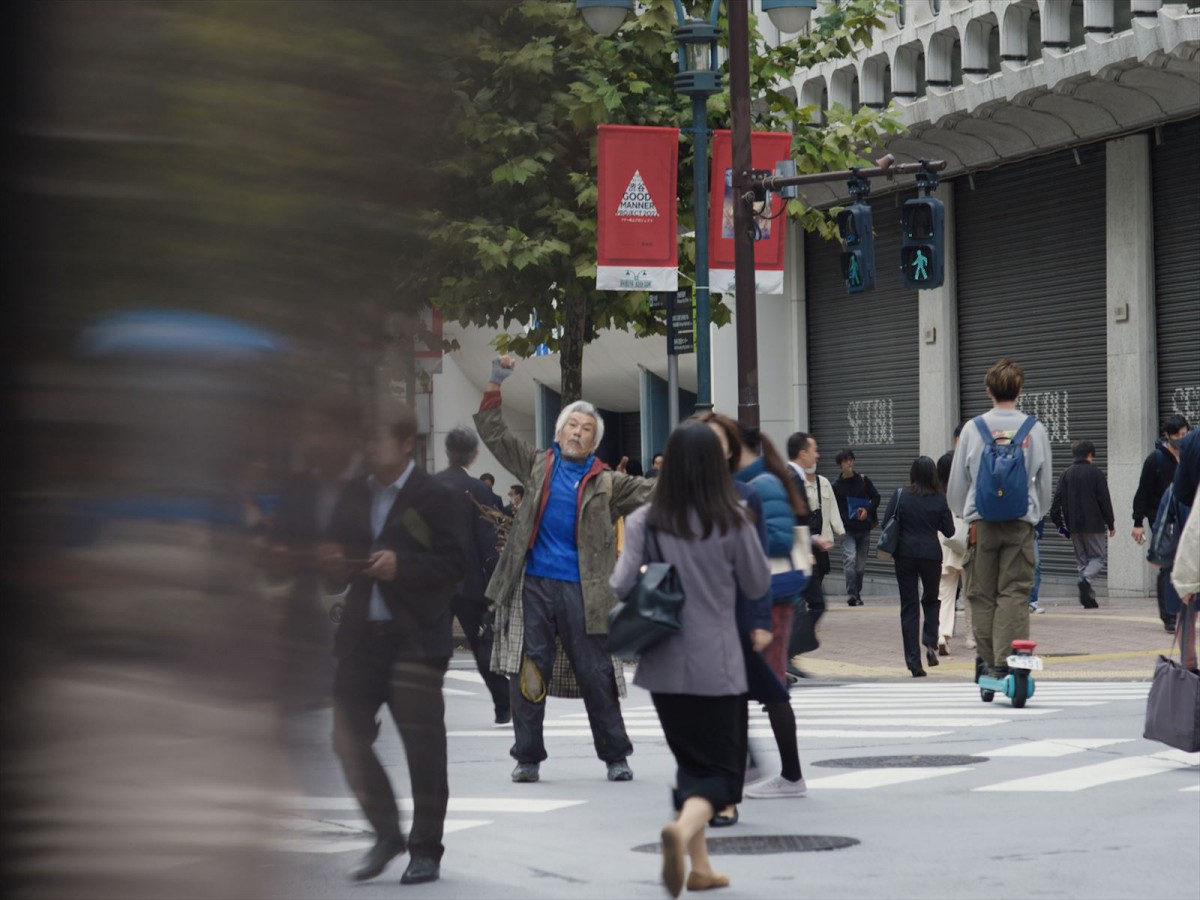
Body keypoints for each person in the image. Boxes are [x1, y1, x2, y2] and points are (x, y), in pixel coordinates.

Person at [609, 424, 770, 898]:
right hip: (717, 662)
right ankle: (681, 832)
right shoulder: (734, 518)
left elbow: (619, 586)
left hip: (663, 663)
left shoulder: (644, 519)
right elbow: (758, 583)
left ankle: (700, 869)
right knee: (722, 776)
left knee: (689, 765)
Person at [475, 356, 651, 784]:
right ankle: (528, 757)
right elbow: (493, 432)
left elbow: (657, 491)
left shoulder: (609, 482)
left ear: (594, 443)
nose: (578, 432)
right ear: (558, 432)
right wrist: (496, 382)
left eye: (587, 429)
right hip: (534, 585)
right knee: (529, 671)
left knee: (597, 673)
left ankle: (615, 755)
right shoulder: (537, 466)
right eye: (572, 425)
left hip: (585, 592)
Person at [319, 412, 466, 886]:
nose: (368, 446)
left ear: (406, 443)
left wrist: (402, 566)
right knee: (346, 737)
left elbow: (455, 565)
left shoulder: (436, 496)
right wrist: (335, 565)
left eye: (377, 438)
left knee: (424, 751)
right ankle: (386, 833)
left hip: (415, 640)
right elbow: (334, 561)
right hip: (362, 638)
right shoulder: (354, 494)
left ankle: (426, 850)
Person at [947, 358, 1052, 682]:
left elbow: (956, 487)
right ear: (1019, 389)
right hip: (1021, 524)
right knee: (1015, 592)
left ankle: (990, 662)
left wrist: (965, 512)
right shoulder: (1034, 428)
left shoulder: (972, 429)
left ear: (988, 390)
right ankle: (1012, 661)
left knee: (981, 594)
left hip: (982, 526)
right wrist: (1036, 514)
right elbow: (1045, 484)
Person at [269, 397, 362, 713]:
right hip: (305, 624)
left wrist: (347, 557)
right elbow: (279, 541)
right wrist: (285, 555)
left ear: (348, 435)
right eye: (309, 431)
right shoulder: (297, 486)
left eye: (324, 430)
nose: (315, 440)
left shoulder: (370, 486)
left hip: (362, 624)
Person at [435, 427, 511, 724]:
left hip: (433, 580)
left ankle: (429, 708)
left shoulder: (429, 486)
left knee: (430, 646)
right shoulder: (481, 491)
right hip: (470, 580)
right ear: (474, 455)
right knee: (482, 646)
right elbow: (489, 544)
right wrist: (495, 587)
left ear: (446, 451)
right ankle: (503, 706)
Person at [881, 456, 955, 677]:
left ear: (912, 473)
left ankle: (914, 662)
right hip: (931, 555)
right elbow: (950, 531)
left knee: (909, 605)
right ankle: (930, 643)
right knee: (932, 600)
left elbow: (886, 523)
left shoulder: (900, 495)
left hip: (904, 555)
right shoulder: (940, 499)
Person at [785, 432, 843, 670]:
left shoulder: (790, 476)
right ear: (802, 453)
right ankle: (788, 649)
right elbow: (792, 519)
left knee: (806, 603)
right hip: (796, 552)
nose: (817, 454)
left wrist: (813, 539)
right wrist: (806, 546)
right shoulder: (791, 478)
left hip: (800, 549)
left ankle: (789, 651)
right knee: (815, 603)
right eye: (814, 449)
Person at [1133, 415, 1190, 632]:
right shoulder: (1155, 460)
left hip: (1187, 517)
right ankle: (1168, 615)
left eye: (1185, 435)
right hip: (1162, 519)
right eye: (1178, 436)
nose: (1182, 439)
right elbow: (1142, 493)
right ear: (1168, 435)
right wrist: (1137, 522)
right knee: (1168, 565)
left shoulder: (1190, 456)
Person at [1050, 440, 1115, 609]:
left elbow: (1056, 503)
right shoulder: (1096, 474)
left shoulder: (1065, 474)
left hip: (1073, 526)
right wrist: (1111, 523)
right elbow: (1104, 500)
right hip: (1094, 525)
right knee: (1098, 558)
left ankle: (1089, 599)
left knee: (1083, 561)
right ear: (1090, 455)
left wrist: (1060, 525)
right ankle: (1085, 581)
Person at [831, 448, 881, 607]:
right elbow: (833, 508)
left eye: (850, 460)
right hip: (847, 530)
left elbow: (876, 497)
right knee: (850, 560)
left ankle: (857, 592)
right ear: (840, 464)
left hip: (864, 529)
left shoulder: (863, 480)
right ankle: (852, 594)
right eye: (845, 461)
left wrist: (868, 510)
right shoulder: (836, 486)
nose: (849, 463)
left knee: (860, 565)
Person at [935, 451, 969, 656]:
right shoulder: (966, 491)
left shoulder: (937, 493)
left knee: (945, 595)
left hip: (943, 547)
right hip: (965, 546)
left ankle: (943, 635)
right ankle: (971, 637)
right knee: (970, 595)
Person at [1168, 484, 1199, 672]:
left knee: (1185, 615)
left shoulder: (1174, 490)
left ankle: (1189, 667)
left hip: (1181, 564)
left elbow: (1161, 524)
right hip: (1186, 566)